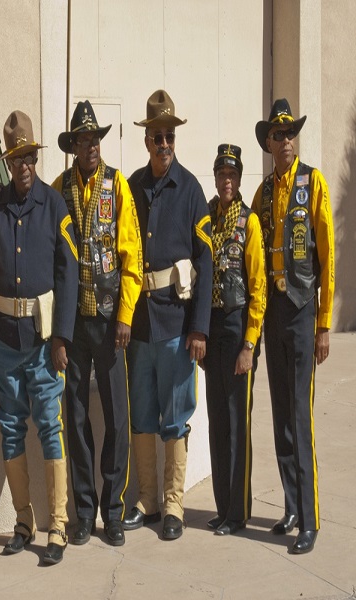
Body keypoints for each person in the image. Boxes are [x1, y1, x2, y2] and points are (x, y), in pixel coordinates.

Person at [0, 110, 78, 564]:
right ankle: (24, 520)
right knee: (10, 429)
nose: (23, 165)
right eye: (15, 158)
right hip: (2, 340)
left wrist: (61, 337)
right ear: (8, 160)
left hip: (42, 343)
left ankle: (57, 525)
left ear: (36, 158)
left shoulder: (54, 205)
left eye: (29, 157)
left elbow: (69, 273)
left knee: (51, 428)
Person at [52, 100, 143, 547]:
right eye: (83, 140)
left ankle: (114, 510)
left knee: (117, 417)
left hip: (109, 323)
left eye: (95, 139)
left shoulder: (117, 185)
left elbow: (132, 255)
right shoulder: (59, 188)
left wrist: (125, 314)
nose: (90, 146)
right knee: (76, 418)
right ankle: (84, 512)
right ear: (72, 146)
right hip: (73, 326)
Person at [123, 89, 213, 540]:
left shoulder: (192, 189)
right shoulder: (132, 187)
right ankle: (147, 499)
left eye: (169, 136)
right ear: (146, 140)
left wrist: (200, 328)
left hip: (178, 324)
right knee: (142, 412)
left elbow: (207, 260)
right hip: (139, 322)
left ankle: (174, 504)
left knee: (175, 415)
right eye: (156, 136)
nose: (163, 144)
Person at [252, 98, 335, 554]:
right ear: (267, 141)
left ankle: (311, 517)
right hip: (274, 315)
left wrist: (324, 323)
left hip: (303, 312)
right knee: (281, 413)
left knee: (300, 416)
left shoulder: (314, 182)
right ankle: (290, 504)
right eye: (277, 134)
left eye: (290, 133)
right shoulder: (263, 193)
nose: (284, 141)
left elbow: (328, 256)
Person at [203, 144, 266, 536]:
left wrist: (249, 345)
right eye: (222, 175)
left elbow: (258, 286)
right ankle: (222, 506)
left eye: (233, 175)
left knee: (237, 423)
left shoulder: (250, 222)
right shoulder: (208, 218)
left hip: (238, 328)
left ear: (240, 180)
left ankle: (239, 512)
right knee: (216, 421)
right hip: (212, 331)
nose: (227, 181)